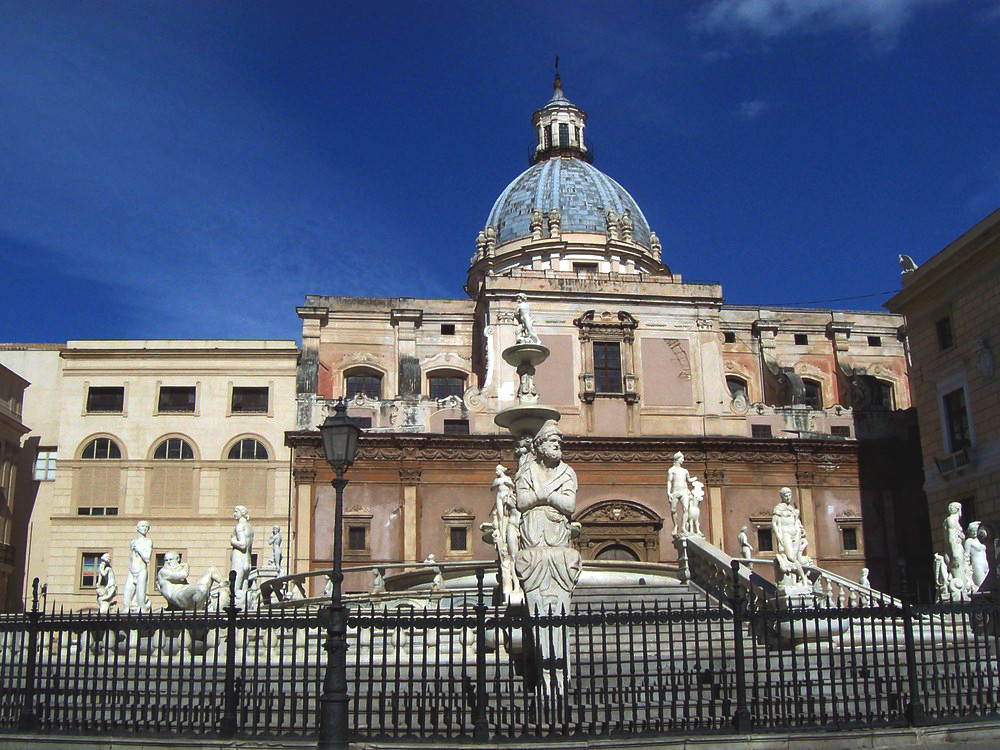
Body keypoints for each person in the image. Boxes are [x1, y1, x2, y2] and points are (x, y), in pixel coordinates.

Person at [123, 520, 152, 612]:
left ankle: (142, 608)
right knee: (127, 592)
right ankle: (127, 609)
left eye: (147, 527)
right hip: (132, 570)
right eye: (143, 526)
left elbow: (147, 558)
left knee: (141, 591)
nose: (145, 528)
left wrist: (138, 549)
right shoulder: (133, 542)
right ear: (137, 528)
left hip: (141, 570)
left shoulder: (148, 542)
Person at [230, 505, 255, 606]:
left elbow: (243, 544)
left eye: (236, 512)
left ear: (242, 513)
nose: (234, 514)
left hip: (239, 559)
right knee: (244, 592)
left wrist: (233, 541)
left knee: (234, 592)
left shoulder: (239, 526)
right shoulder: (250, 527)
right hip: (247, 560)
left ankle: (234, 618)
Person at [666, 452, 692, 536]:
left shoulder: (685, 471)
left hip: (684, 491)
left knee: (686, 509)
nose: (683, 460)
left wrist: (694, 479)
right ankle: (676, 526)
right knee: (673, 510)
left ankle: (683, 527)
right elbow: (669, 481)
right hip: (675, 491)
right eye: (682, 458)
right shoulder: (671, 470)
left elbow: (689, 480)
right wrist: (668, 492)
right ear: (677, 459)